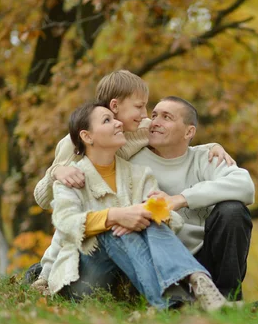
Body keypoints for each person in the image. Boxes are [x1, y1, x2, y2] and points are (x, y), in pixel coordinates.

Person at [27, 70, 233, 286]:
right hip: (85, 230)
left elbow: (176, 137)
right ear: (115, 106)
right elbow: (43, 199)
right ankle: (44, 273)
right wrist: (56, 172)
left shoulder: (141, 130)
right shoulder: (74, 141)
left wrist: (211, 147)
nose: (146, 114)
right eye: (139, 106)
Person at [48, 100, 230, 311]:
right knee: (114, 231)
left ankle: (197, 285)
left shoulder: (139, 173)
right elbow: (65, 222)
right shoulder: (70, 177)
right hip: (84, 278)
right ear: (87, 136)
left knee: (151, 218)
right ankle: (173, 300)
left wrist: (150, 211)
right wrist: (116, 216)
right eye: (107, 120)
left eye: (115, 119)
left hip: (128, 277)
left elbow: (174, 220)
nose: (118, 123)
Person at [130, 96, 255, 300]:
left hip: (208, 259)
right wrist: (59, 168)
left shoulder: (205, 157)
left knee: (232, 210)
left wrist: (180, 199)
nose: (155, 122)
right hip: (161, 261)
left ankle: (229, 299)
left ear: (189, 132)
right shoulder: (133, 160)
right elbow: (91, 137)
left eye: (167, 117)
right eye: (154, 115)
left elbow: (246, 186)